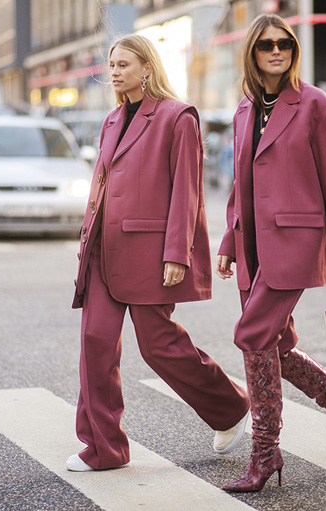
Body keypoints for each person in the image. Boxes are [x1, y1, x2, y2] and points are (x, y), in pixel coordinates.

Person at [68, 34, 250, 472]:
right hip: (101, 252)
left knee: (159, 346)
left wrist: (177, 254)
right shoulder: (112, 120)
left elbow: (187, 192)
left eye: (124, 63)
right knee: (95, 344)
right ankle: (103, 449)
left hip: (149, 252)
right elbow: (102, 185)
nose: (114, 71)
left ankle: (230, 407)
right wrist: (85, 239)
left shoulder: (177, 117)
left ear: (147, 67)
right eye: (111, 64)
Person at [215, 14, 326, 492]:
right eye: (266, 45)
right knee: (275, 346)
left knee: (251, 335)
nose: (276, 51)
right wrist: (228, 240)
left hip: (295, 242)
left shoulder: (317, 106)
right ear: (253, 53)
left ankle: (265, 453)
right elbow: (238, 184)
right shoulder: (245, 109)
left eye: (284, 43)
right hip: (252, 247)